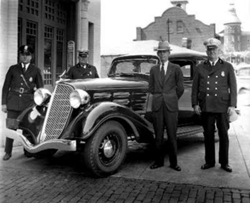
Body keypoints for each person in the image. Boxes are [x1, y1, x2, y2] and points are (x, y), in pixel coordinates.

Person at [191, 38, 237, 172]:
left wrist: (232, 105)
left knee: (223, 134)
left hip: (222, 106)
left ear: (219, 51)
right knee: (208, 135)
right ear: (206, 51)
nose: (212, 52)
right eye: (209, 50)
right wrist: (195, 104)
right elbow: (195, 89)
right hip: (207, 106)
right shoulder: (200, 67)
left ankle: (224, 162)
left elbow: (233, 87)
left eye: (214, 50)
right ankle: (209, 161)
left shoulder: (227, 66)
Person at [1, 45, 44, 161]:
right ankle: (8, 152)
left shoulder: (36, 70)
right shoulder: (13, 69)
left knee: (28, 128)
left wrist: (38, 104)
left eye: (27, 55)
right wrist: (3, 103)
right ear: (19, 56)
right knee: (11, 127)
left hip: (28, 104)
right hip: (13, 102)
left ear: (31, 56)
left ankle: (28, 150)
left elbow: (41, 90)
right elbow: (5, 87)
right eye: (22, 55)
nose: (25, 57)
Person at [149, 41, 184, 171]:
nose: (162, 54)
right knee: (158, 136)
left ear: (169, 53)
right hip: (157, 106)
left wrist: (171, 98)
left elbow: (180, 88)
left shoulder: (176, 68)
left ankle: (174, 163)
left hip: (171, 107)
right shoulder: (153, 69)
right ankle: (158, 162)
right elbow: (151, 88)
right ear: (158, 54)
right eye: (160, 52)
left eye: (165, 52)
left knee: (172, 135)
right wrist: (160, 97)